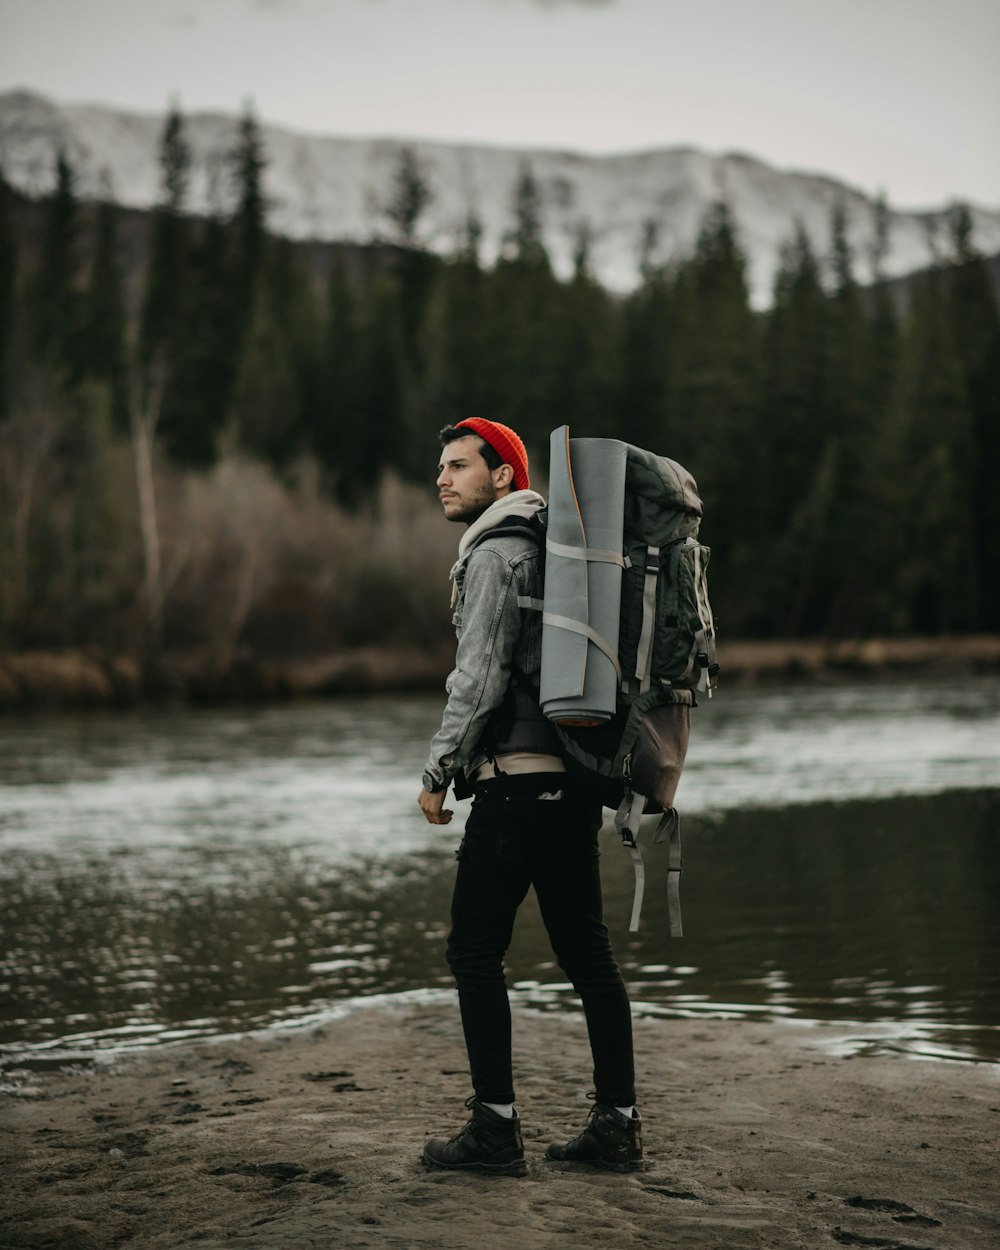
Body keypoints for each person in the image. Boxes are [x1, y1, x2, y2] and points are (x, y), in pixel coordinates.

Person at [417, 417, 642, 1177]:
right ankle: (617, 1125)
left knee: (473, 952)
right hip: (572, 787)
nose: (442, 479)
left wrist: (436, 772)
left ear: (505, 476)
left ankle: (494, 1131)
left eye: (458, 467)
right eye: (440, 469)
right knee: (589, 957)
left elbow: (476, 680)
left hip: (512, 791)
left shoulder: (497, 554)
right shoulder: (558, 551)